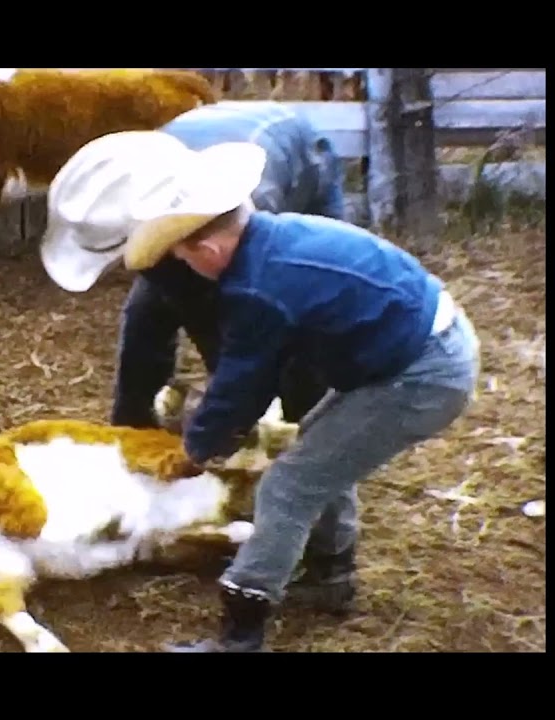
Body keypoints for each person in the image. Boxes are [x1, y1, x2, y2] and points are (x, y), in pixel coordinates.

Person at [40, 130, 481, 652]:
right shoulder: (273, 238)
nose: (179, 266)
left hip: (419, 373)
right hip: (414, 346)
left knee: (287, 487)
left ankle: (241, 633)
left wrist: (196, 448)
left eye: (181, 256)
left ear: (207, 250)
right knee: (317, 452)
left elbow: (242, 385)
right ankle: (330, 575)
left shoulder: (256, 291)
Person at [40, 103, 363, 614]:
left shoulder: (244, 216)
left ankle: (331, 562)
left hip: (299, 159)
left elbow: (246, 345)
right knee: (147, 315)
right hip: (186, 210)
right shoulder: (140, 194)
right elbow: (161, 306)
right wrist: (139, 440)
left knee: (304, 368)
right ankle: (137, 464)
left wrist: (218, 424)